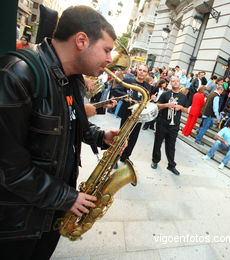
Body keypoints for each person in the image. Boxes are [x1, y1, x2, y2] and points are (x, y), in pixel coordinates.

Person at [0, 6, 120, 259]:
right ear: (81, 40)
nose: (111, 59)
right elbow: (8, 168)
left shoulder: (73, 79)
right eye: (107, 49)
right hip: (17, 225)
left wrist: (100, 137)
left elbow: (70, 123)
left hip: (51, 214)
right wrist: (67, 198)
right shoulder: (17, 74)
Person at [111, 64, 154, 162]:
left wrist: (151, 99)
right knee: (121, 136)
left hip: (139, 116)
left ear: (147, 73)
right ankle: (114, 157)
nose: (141, 72)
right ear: (137, 71)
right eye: (140, 69)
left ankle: (125, 157)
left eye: (144, 71)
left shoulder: (148, 86)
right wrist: (124, 96)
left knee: (133, 138)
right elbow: (115, 90)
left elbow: (146, 99)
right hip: (127, 113)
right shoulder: (127, 80)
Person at [151, 76, 187, 175]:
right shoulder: (165, 94)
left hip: (174, 125)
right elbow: (157, 105)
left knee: (171, 146)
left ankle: (171, 165)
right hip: (162, 123)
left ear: (180, 83)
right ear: (170, 83)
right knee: (157, 143)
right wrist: (166, 105)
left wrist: (180, 107)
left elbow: (186, 109)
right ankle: (155, 160)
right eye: (173, 81)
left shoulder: (183, 96)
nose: (175, 82)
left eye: (177, 81)